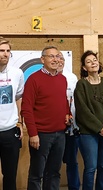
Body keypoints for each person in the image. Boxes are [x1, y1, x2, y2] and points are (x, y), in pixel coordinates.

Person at [21, 46, 70, 190]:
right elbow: (27, 108)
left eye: (58, 56)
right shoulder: (33, 79)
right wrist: (33, 134)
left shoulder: (62, 79)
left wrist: (68, 113)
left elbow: (64, 102)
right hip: (41, 135)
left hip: (60, 134)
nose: (55, 59)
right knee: (37, 174)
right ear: (43, 59)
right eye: (51, 56)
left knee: (54, 173)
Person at [74, 50, 103, 190]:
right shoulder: (81, 85)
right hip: (88, 133)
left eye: (94, 60)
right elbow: (82, 111)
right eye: (88, 61)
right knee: (91, 167)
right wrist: (99, 128)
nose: (93, 63)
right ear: (84, 68)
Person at [0, 37, 24, 190]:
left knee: (10, 175)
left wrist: (20, 122)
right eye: (1, 51)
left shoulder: (17, 73)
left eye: (8, 51)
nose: (5, 54)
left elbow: (18, 98)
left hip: (10, 131)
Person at [58, 52, 80, 190]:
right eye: (55, 58)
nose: (59, 61)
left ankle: (74, 187)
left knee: (72, 161)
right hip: (53, 128)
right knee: (52, 163)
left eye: (61, 58)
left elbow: (76, 102)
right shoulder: (44, 78)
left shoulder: (72, 77)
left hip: (71, 127)